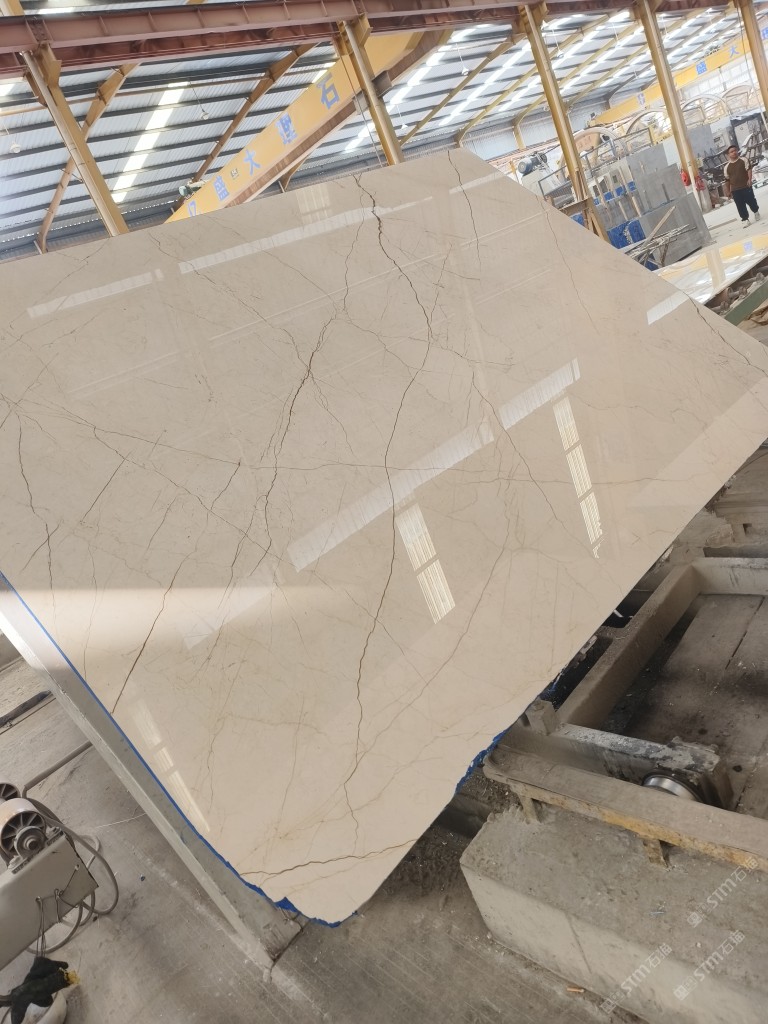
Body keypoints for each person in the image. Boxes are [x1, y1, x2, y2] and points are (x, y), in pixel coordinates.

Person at [724, 145, 760, 227]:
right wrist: (728, 191)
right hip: (735, 190)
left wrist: (749, 179)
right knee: (740, 205)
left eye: (735, 150)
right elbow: (727, 179)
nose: (734, 152)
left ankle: (756, 212)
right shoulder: (726, 167)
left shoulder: (743, 160)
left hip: (746, 186)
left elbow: (749, 169)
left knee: (751, 201)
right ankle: (745, 219)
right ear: (728, 155)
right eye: (731, 152)